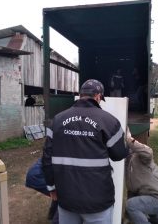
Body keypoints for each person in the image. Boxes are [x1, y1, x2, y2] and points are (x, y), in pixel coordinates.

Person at [42, 79, 129, 224]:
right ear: (98, 96)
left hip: (66, 198)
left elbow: (47, 158)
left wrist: (51, 187)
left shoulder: (57, 120)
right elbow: (119, 155)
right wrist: (125, 139)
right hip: (98, 201)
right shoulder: (109, 121)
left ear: (81, 95)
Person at [125, 130, 158, 224]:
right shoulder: (128, 168)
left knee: (131, 205)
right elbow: (133, 189)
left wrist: (129, 139)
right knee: (142, 203)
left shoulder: (140, 158)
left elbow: (148, 152)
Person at [25, 158, 59, 224]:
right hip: (38, 175)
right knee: (64, 197)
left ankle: (52, 215)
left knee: (58, 194)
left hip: (36, 173)